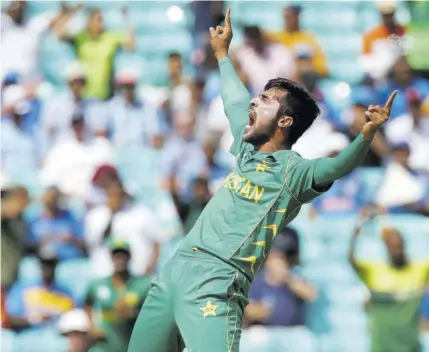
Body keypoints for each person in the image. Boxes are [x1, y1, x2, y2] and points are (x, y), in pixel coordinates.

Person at [128, 9, 398, 352]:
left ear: (284, 121)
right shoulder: (247, 148)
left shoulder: (294, 172)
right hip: (176, 270)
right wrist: (222, 56)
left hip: (217, 281)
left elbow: (335, 168)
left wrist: (366, 134)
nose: (255, 100)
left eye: (266, 101)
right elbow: (235, 99)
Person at [349, 219, 429, 352]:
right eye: (392, 247)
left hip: (410, 346)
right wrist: (354, 237)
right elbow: (353, 262)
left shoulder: (418, 270)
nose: (396, 251)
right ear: (386, 248)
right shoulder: (375, 271)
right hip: (381, 346)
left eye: (398, 246)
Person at [85, 239, 151, 352]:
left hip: (130, 342)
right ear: (111, 257)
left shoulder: (142, 285)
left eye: (123, 255)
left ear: (130, 256)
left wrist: (133, 314)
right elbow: (88, 302)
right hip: (105, 344)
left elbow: (152, 312)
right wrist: (92, 325)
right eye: (116, 255)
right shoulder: (98, 285)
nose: (120, 259)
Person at [85, 182, 161, 278]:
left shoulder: (141, 214)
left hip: (138, 274)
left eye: (119, 195)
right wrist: (111, 215)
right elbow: (95, 241)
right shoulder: (95, 216)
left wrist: (150, 267)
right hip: (105, 275)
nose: (116, 198)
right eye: (113, 195)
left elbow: (156, 242)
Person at [57, 7, 135, 100]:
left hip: (106, 95)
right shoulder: (81, 37)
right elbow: (60, 34)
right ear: (89, 21)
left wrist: (126, 20)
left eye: (101, 20)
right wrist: (73, 11)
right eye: (98, 20)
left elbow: (131, 45)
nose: (100, 23)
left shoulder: (110, 37)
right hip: (84, 96)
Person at [245, 228, 316, 327]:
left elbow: (311, 295)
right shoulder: (255, 280)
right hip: (265, 335)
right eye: (275, 257)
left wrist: (288, 278)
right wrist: (258, 311)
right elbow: (247, 310)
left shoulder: (295, 275)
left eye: (283, 257)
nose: (279, 262)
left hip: (293, 335)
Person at [41, 61, 105, 150]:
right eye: (74, 82)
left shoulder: (94, 105)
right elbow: (46, 133)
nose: (77, 86)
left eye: (80, 82)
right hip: (62, 151)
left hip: (87, 150)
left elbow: (100, 134)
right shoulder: (55, 105)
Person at [5, 253, 74, 332]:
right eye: (44, 264)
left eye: (50, 264)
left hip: (58, 335)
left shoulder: (65, 291)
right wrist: (33, 319)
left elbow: (74, 317)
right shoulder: (23, 288)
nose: (47, 268)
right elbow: (11, 318)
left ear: (56, 266)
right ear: (39, 266)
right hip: (28, 335)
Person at [103, 68, 165, 148]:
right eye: (125, 86)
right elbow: (104, 135)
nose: (127, 90)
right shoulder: (110, 107)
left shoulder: (146, 108)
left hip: (141, 154)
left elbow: (154, 135)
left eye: (130, 86)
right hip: (116, 153)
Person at [266, 5, 328, 77]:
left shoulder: (308, 38)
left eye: (291, 17)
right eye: (286, 17)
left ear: (297, 17)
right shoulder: (274, 37)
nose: (288, 20)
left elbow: (322, 68)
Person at [27, 186, 86, 261]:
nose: (52, 203)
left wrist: (71, 239)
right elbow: (28, 245)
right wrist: (43, 240)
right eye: (49, 200)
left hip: (70, 262)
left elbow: (83, 242)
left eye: (55, 199)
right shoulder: (34, 220)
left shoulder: (71, 217)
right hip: (45, 264)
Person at [235, 25, 295, 95]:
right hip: (255, 97)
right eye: (251, 38)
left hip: (278, 96)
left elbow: (292, 76)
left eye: (256, 37)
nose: (255, 41)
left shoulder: (280, 51)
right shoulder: (243, 54)